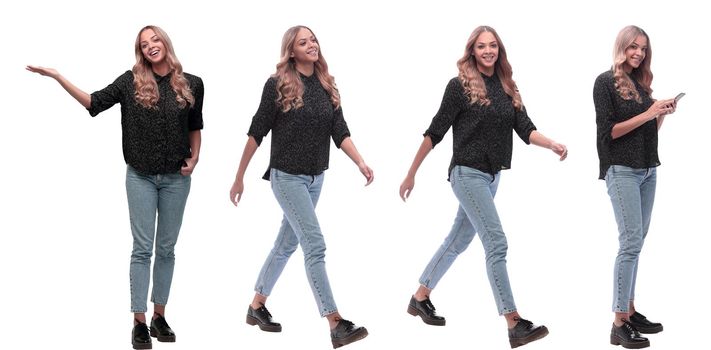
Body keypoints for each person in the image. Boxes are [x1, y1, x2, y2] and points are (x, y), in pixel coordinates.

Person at [27, 25, 204, 350]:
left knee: (166, 249)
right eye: (144, 44)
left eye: (155, 40)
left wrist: (196, 159)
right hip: (140, 176)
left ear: (165, 42)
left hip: (177, 180)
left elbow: (195, 126)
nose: (151, 46)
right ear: (140, 51)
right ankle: (139, 322)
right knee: (142, 249)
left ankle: (159, 316)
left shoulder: (191, 83)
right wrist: (56, 76)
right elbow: (93, 102)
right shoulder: (130, 82)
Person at [399, 26, 567, 349]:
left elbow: (525, 129)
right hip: (466, 174)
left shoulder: (507, 87)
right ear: (472, 51)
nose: (488, 51)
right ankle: (513, 322)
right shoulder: (459, 86)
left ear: (499, 50)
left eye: (492, 46)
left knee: (458, 240)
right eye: (481, 46)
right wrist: (411, 173)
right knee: (496, 243)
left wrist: (552, 144)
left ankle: (420, 297)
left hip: (492, 177)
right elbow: (434, 132)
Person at [229, 25, 372, 349]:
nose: (312, 45)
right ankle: (335, 323)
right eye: (303, 42)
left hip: (316, 177)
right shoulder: (277, 84)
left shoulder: (326, 85)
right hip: (287, 177)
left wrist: (360, 161)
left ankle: (256, 307)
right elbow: (256, 132)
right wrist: (239, 176)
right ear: (291, 51)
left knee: (286, 244)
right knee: (315, 244)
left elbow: (340, 131)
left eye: (314, 40)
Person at [594, 25, 676, 349]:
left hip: (647, 171)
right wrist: (649, 111)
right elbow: (608, 133)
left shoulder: (642, 86)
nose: (639, 53)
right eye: (633, 47)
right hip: (622, 171)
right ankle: (618, 323)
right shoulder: (605, 82)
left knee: (637, 242)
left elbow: (647, 130)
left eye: (643, 48)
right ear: (622, 48)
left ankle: (629, 309)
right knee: (629, 242)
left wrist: (661, 114)